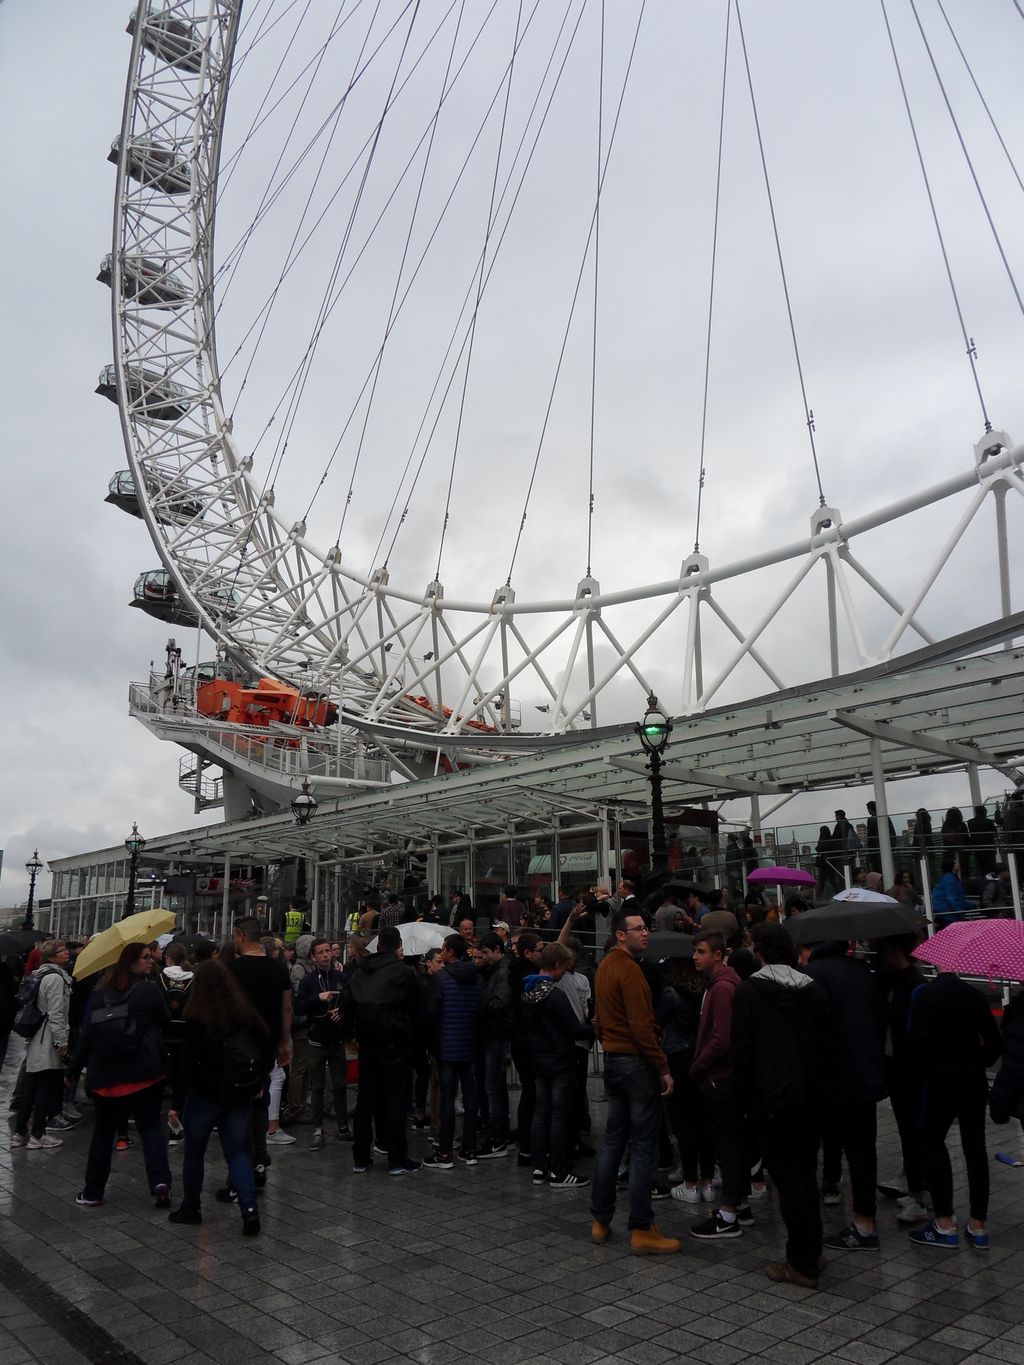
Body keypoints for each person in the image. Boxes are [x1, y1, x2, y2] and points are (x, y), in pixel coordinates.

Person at [733, 923, 829, 1288]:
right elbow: (825, 1044)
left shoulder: (749, 992)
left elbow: (743, 1053)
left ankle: (801, 1262)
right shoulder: (813, 990)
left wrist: (746, 1101)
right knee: (806, 1175)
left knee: (788, 1182)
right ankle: (812, 1250)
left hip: (771, 1100)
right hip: (810, 1097)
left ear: (760, 952)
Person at [589, 910, 679, 1255]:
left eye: (645, 928)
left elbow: (599, 1018)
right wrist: (662, 1065)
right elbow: (642, 1026)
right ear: (620, 935)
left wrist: (607, 1039)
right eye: (638, 929)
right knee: (642, 1146)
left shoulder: (604, 967)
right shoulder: (630, 970)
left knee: (613, 1141)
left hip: (613, 1059)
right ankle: (642, 1228)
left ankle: (600, 1219)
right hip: (636, 1062)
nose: (645, 933)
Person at [167, 960, 273, 1235]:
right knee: (236, 1152)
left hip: (205, 1092)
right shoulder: (242, 1010)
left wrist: (176, 1103)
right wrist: (259, 1079)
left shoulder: (197, 1015)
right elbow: (266, 1042)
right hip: (238, 1092)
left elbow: (187, 1062)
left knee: (195, 1153)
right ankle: (249, 1210)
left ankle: (191, 1207)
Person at [71, 943, 173, 1208]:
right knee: (150, 1127)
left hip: (108, 1073)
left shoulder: (99, 993)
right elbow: (165, 1020)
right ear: (129, 962)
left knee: (103, 1132)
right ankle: (160, 1182)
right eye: (145, 957)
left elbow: (86, 1035)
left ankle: (93, 1191)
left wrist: (73, 1070)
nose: (150, 961)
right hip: (144, 1070)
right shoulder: (149, 990)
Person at [908, 964, 1002, 1249]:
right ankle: (978, 1225)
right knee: (975, 1147)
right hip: (973, 1080)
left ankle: (944, 1222)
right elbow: (994, 1040)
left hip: (940, 1079)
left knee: (932, 1141)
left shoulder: (924, 995)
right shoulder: (973, 994)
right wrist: (979, 1060)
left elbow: (915, 1041)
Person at [806, 938, 887, 1252]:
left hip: (833, 1076)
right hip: (866, 1072)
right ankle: (866, 1218)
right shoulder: (864, 973)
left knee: (831, 1141)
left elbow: (815, 1026)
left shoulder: (815, 974)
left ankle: (856, 1218)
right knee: (863, 1150)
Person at [342, 925, 421, 1176]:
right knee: (396, 1101)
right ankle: (396, 1158)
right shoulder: (404, 972)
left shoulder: (361, 972)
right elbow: (416, 1006)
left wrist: (349, 1035)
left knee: (366, 1100)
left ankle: (361, 1157)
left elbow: (346, 1004)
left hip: (367, 1044)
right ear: (399, 946)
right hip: (395, 1043)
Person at [688, 932, 752, 1240]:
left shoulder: (723, 988)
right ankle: (738, 1205)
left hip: (721, 1077)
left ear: (718, 954)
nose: (695, 957)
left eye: (701, 951)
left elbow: (721, 1038)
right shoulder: (722, 984)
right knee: (732, 1142)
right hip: (726, 1075)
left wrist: (698, 1067)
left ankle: (728, 1214)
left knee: (727, 1144)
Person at [224, 917, 292, 1198]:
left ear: (241, 936)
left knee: (241, 1106)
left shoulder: (232, 969)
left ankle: (242, 1171)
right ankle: (260, 1161)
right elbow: (286, 1007)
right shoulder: (278, 967)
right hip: (267, 1043)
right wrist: (284, 1042)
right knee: (260, 1100)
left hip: (239, 1045)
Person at [521, 942, 593, 1188]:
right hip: (560, 1060)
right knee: (560, 1116)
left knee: (541, 1114)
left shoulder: (528, 991)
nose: (565, 973)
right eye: (564, 968)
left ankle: (540, 1166)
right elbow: (575, 1029)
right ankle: (559, 1171)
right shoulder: (555, 995)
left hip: (538, 1059)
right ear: (556, 965)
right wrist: (598, 1028)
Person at [876, 936, 928, 1223]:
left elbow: (911, 1023)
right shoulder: (892, 979)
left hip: (908, 1065)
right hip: (896, 1061)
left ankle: (917, 1188)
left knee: (911, 1126)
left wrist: (886, 1009)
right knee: (906, 1124)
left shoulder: (914, 983)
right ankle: (912, 1175)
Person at [422, 934, 483, 1169]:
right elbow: (481, 1009)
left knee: (447, 1098)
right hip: (470, 1043)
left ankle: (445, 1150)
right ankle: (470, 1148)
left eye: (444, 948)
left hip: (446, 1045)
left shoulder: (441, 978)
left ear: (450, 952)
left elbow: (432, 1012)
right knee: (470, 1096)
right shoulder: (476, 977)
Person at [11, 940, 73, 1151]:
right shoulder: (55, 978)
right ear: (52, 956)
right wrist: (61, 1040)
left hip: (38, 1035)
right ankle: (38, 1134)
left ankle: (20, 1132)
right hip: (47, 1037)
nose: (66, 952)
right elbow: (56, 1011)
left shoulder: (41, 974)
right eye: (61, 950)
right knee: (45, 1085)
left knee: (31, 1085)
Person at [295, 939, 351, 1150]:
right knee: (317, 1086)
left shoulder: (342, 978)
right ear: (313, 956)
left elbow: (351, 1002)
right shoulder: (308, 981)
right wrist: (317, 998)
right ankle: (318, 1128)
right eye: (321, 952)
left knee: (340, 1085)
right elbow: (299, 1007)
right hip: (316, 1040)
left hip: (337, 1040)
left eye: (328, 951)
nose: (326, 955)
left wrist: (342, 1013)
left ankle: (343, 1126)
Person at [475, 932, 514, 1158]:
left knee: (493, 1086)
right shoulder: (496, 970)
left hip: (496, 1033)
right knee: (496, 1086)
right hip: (494, 1033)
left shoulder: (502, 971)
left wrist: (481, 1005)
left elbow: (499, 1003)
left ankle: (498, 1137)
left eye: (486, 952)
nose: (484, 957)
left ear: (497, 950)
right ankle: (502, 1134)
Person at [931, 855, 965, 926]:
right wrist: (960, 913)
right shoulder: (950, 879)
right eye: (956, 863)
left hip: (944, 911)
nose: (958, 864)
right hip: (948, 913)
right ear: (952, 866)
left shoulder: (948, 877)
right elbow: (951, 897)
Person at [967, 805, 998, 881]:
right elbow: (995, 833)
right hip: (989, 849)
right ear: (984, 812)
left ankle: (982, 883)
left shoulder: (970, 822)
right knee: (991, 869)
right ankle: (991, 883)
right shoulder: (989, 822)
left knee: (980, 869)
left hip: (978, 849)